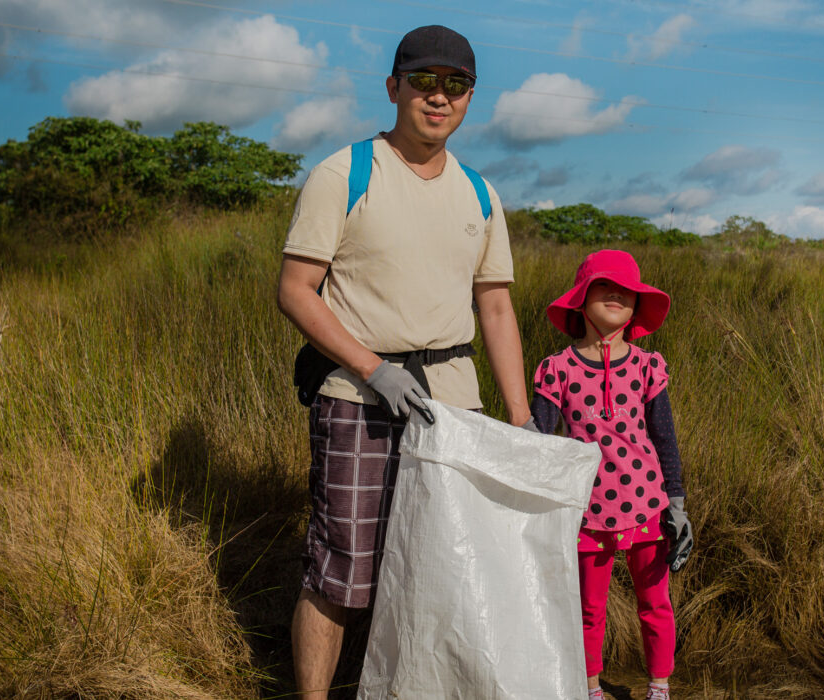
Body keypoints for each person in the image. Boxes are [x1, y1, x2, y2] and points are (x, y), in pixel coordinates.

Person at [276, 25, 532, 699]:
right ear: (394, 88)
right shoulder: (345, 174)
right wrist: (372, 367)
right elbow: (295, 291)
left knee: (435, 573)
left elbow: (496, 309)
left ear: (471, 98)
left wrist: (521, 416)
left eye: (455, 85)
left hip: (453, 411)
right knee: (343, 573)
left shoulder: (480, 193)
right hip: (359, 399)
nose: (437, 96)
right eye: (423, 81)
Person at [530, 249, 694, 700]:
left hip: (648, 506)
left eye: (626, 289)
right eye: (603, 285)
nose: (616, 294)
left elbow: (665, 438)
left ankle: (659, 686)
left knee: (655, 604)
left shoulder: (648, 367)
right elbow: (540, 442)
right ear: (581, 299)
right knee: (588, 610)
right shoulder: (556, 369)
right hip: (585, 511)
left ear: (637, 306)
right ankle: (590, 688)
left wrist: (676, 504)